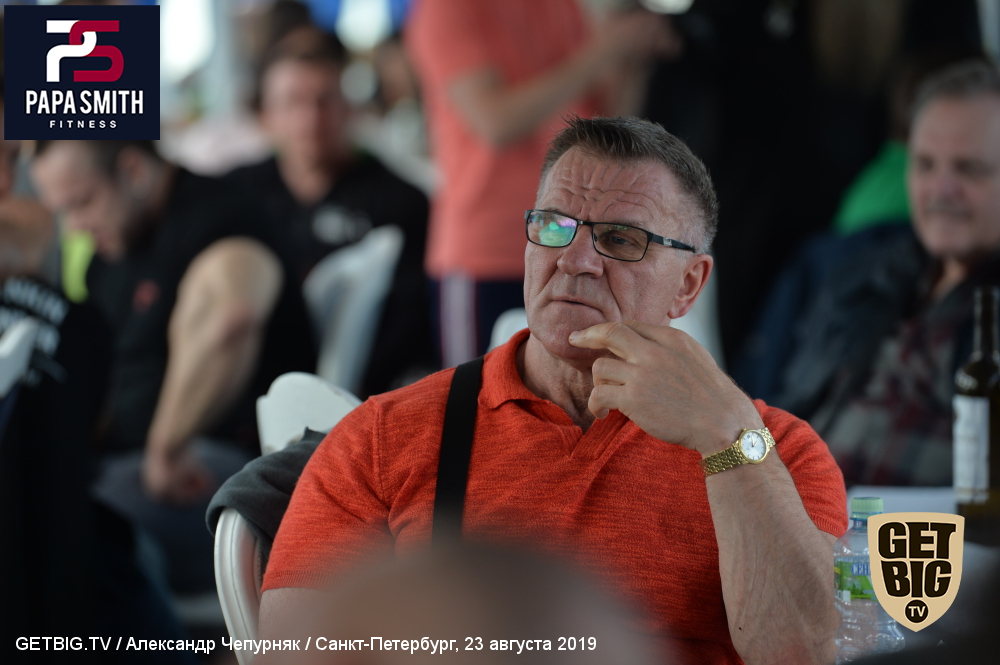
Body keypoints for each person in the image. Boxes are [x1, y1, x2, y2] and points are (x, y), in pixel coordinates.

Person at [256, 117, 847, 664]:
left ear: (688, 285)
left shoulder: (777, 453)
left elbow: (802, 653)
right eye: (554, 226)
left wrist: (728, 438)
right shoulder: (385, 436)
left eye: (621, 239)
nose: (575, 259)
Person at [30, 139, 317, 593]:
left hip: (213, 473)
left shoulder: (221, 218)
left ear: (134, 171)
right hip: (120, 463)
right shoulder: (116, 246)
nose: (75, 226)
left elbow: (231, 316)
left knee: (45, 542)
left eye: (82, 203)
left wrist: (165, 449)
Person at [406, 0, 679, 366]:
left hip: (575, 242)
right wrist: (605, 50)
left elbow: (605, 125)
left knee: (576, 391)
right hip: (486, 250)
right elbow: (495, 121)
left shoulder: (560, 5)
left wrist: (633, 57)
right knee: (477, 396)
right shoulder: (450, 7)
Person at [772, 60, 1000, 487]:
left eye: (969, 169)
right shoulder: (863, 276)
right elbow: (788, 410)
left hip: (930, 530)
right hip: (800, 510)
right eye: (925, 165)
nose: (941, 190)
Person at [227, 27, 432, 395]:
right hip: (252, 390)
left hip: (366, 396)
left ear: (348, 108)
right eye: (292, 102)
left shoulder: (400, 201)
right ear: (265, 115)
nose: (310, 119)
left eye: (324, 100)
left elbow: (411, 324)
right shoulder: (234, 195)